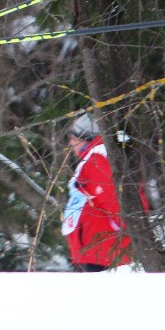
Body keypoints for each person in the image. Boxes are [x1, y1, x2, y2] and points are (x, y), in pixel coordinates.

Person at [61, 113, 136, 271]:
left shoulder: (98, 161)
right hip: (99, 252)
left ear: (86, 139)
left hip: (104, 254)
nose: (70, 143)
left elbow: (116, 203)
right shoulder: (95, 158)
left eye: (74, 138)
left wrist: (128, 237)